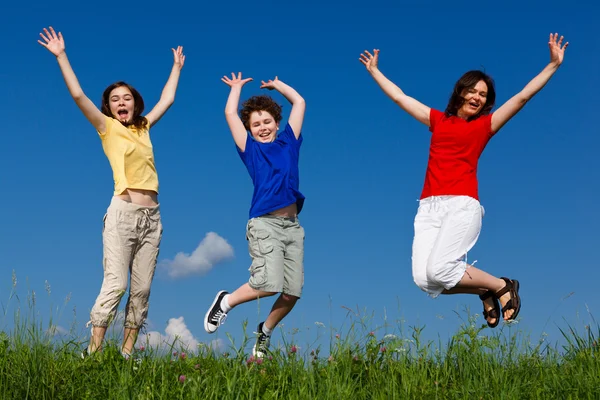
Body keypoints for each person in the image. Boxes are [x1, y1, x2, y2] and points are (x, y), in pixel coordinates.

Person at [359, 33, 568, 327]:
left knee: (442, 269)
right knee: (425, 279)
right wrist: (375, 71)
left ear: (486, 103)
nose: (477, 97)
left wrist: (552, 66)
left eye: (483, 95)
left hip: (461, 205)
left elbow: (522, 97)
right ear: (460, 93)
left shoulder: (485, 126)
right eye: (473, 91)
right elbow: (400, 97)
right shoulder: (438, 121)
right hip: (429, 208)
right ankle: (483, 288)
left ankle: (501, 285)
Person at [38, 26, 185, 357]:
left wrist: (176, 68)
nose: (122, 102)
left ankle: (127, 353)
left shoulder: (144, 127)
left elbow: (168, 99)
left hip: (152, 218)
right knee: (117, 285)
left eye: (127, 98)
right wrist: (62, 56)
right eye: (115, 99)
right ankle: (93, 352)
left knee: (142, 289)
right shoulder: (108, 128)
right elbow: (78, 95)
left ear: (135, 104)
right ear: (109, 106)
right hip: (123, 214)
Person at [204, 72, 306, 357]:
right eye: (255, 124)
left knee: (292, 292)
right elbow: (229, 113)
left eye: (267, 121)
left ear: (276, 122)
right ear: (249, 129)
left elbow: (299, 102)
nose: (262, 127)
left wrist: (278, 86)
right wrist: (235, 89)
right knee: (269, 283)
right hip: (264, 223)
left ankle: (265, 332)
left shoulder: (289, 142)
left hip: (293, 226)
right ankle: (226, 301)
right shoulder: (250, 150)